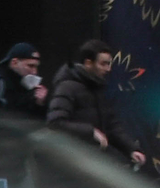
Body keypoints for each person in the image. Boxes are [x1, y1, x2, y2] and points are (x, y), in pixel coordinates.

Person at [45, 40, 146, 168]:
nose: (108, 69)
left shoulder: (97, 89)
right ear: (88, 63)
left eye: (109, 64)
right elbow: (55, 123)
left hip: (90, 164)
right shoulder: (67, 87)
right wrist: (91, 132)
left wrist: (131, 149)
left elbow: (111, 126)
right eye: (103, 64)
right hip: (69, 166)